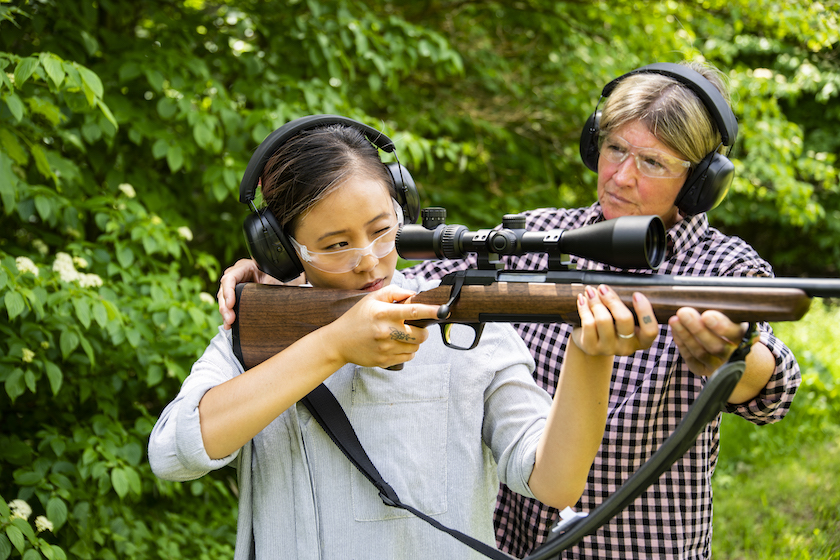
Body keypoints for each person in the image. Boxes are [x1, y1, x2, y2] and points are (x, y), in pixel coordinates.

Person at [216, 62, 801, 559]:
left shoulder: (723, 265)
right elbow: (412, 281)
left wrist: (731, 357)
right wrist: (278, 275)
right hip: (515, 538)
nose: (621, 176)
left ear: (700, 182)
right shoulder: (545, 232)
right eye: (615, 148)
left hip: (640, 540)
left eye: (652, 163)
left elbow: (774, 387)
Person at [150, 119, 661, 559]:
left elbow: (553, 482)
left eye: (382, 229)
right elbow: (173, 453)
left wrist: (591, 356)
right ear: (283, 250)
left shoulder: (461, 324)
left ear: (404, 210)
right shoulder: (265, 324)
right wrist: (332, 346)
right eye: (335, 245)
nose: (369, 259)